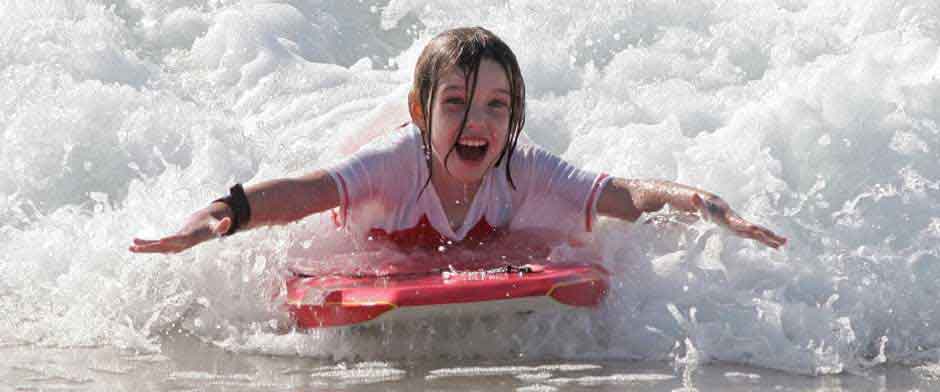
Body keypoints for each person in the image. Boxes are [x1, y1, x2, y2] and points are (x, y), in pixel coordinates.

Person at [129, 27, 786, 256]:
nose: (479, 122)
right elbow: (306, 191)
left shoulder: (520, 167)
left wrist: (705, 204)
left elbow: (626, 195)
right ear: (422, 113)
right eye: (458, 105)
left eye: (498, 106)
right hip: (377, 188)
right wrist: (223, 214)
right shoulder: (395, 163)